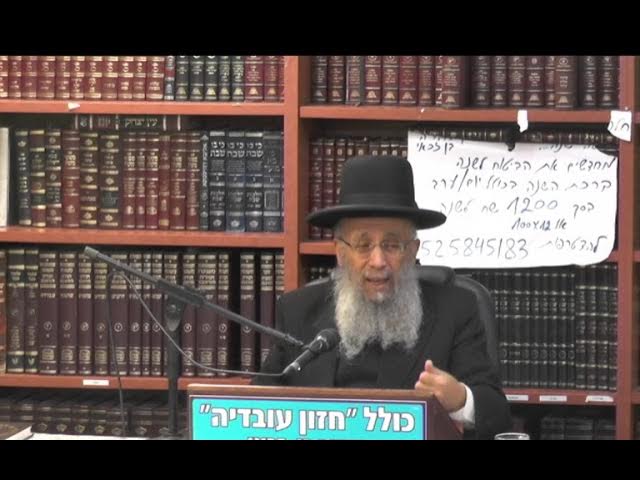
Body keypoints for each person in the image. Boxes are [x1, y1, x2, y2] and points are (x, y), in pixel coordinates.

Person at [254, 154, 512, 439]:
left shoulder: (456, 309)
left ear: (412, 251)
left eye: (392, 245)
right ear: (341, 253)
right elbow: (256, 405)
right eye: (363, 245)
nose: (378, 261)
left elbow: (497, 412)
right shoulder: (298, 311)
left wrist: (460, 400)